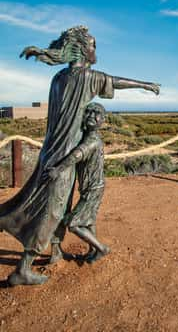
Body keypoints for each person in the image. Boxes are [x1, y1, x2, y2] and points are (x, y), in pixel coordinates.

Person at [0, 26, 160, 285]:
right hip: (64, 157)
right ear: (83, 49)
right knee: (52, 209)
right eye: (94, 46)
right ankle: (23, 268)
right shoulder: (87, 77)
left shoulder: (58, 79)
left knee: (59, 204)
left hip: (50, 151)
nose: (96, 51)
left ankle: (55, 252)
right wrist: (145, 85)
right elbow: (115, 81)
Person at [47, 103, 109, 263]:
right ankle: (93, 250)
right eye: (88, 113)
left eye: (96, 114)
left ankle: (101, 248)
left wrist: (58, 169)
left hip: (93, 188)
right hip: (93, 187)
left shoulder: (92, 141)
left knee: (73, 223)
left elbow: (76, 155)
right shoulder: (88, 137)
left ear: (103, 119)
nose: (90, 117)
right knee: (89, 220)